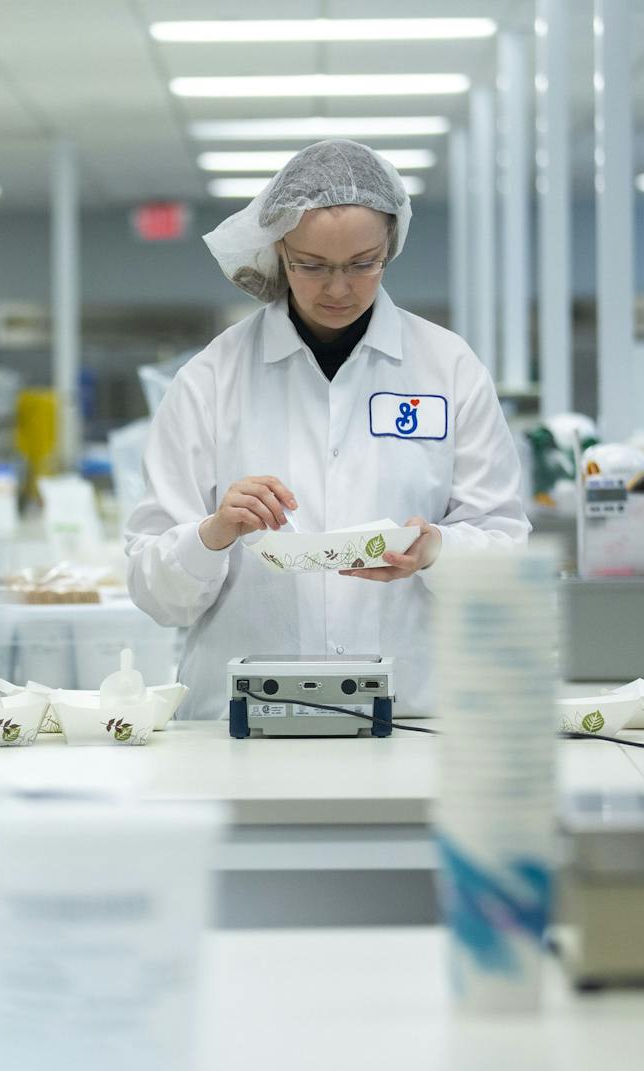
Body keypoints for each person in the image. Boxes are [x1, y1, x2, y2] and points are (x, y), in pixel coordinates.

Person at [125, 139, 530, 720]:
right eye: (311, 266)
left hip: (410, 716)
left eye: (363, 263)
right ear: (277, 252)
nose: (338, 288)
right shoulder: (211, 378)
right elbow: (153, 588)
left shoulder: (449, 367)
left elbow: (505, 545)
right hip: (242, 725)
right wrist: (212, 534)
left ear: (390, 245)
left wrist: (438, 550)